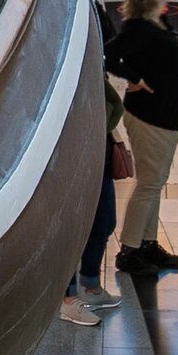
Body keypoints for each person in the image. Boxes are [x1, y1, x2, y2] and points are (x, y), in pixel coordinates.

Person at [108, 0, 178, 276]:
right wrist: (135, 78)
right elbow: (108, 56)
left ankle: (147, 243)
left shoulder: (155, 22)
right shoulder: (138, 28)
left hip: (163, 117)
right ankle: (129, 251)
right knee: (148, 184)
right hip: (150, 118)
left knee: (155, 183)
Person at [65, 68, 129, 324]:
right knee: (74, 227)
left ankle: (91, 286)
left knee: (105, 221)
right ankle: (67, 299)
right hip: (74, 151)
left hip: (97, 147)